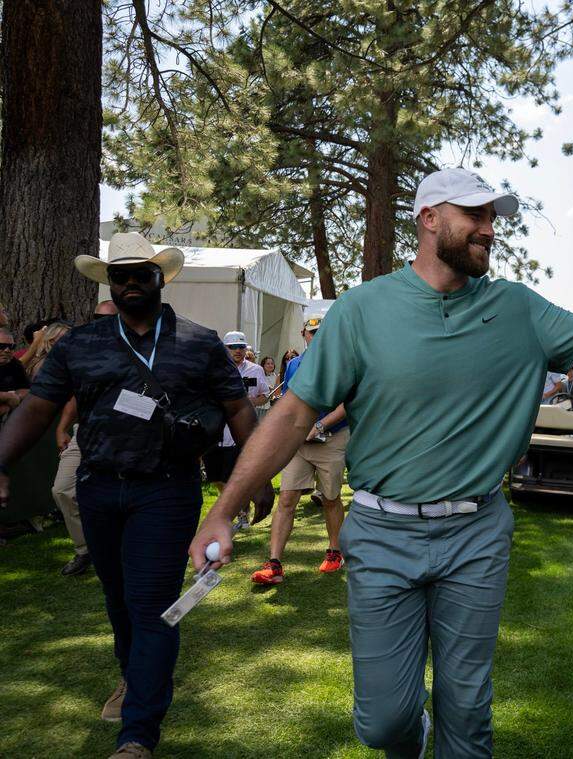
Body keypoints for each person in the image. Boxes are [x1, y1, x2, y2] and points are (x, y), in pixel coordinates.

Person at [188, 167, 573, 758]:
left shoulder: (516, 308)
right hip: (382, 530)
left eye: (493, 219)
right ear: (429, 219)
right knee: (384, 723)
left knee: (467, 710)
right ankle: (409, 737)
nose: (489, 230)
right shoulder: (362, 310)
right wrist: (225, 510)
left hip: (476, 531)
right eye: (475, 216)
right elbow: (292, 416)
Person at [0, 232, 258, 759]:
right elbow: (36, 409)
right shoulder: (80, 344)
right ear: (109, 282)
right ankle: (133, 676)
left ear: (161, 278)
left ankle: (137, 734)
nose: (133, 282)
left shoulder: (199, 340)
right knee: (119, 604)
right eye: (122, 275)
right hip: (99, 489)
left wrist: (252, 481)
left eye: (143, 273)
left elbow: (237, 410)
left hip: (166, 492)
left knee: (152, 606)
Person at [249, 315, 348, 584]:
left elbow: (349, 403)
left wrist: (319, 425)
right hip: (299, 442)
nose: (316, 337)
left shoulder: (344, 361)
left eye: (321, 332)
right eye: (311, 332)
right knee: (287, 498)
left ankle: (334, 551)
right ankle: (274, 563)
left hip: (332, 437)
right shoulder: (293, 364)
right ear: (303, 333)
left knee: (330, 498)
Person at [54, 301, 118, 576]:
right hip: (85, 432)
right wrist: (62, 427)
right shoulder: (82, 350)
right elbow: (76, 396)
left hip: (123, 436)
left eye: (107, 318)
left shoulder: (140, 349)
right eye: (96, 317)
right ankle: (86, 549)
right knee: (62, 489)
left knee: (117, 496)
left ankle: (114, 549)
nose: (100, 322)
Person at [203, 331, 269, 530]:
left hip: (239, 433)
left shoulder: (255, 370)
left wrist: (246, 402)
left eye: (241, 347)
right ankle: (235, 506)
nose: (237, 351)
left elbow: (264, 396)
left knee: (234, 476)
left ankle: (239, 512)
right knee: (215, 477)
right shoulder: (213, 368)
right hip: (215, 432)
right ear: (225, 348)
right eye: (232, 347)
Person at [0, 326, 30, 417]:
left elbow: (26, 389)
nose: (7, 350)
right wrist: (8, 396)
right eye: (1, 346)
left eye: (11, 347)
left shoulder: (15, 364)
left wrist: (16, 397)